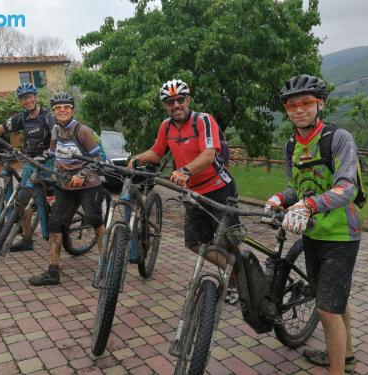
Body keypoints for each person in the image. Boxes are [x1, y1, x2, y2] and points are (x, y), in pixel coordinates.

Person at [265, 74, 361, 374]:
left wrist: (308, 205)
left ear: (320, 104)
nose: (298, 109)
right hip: (311, 233)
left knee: (326, 310)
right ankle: (346, 357)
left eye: (306, 102)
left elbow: (348, 188)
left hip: (341, 235)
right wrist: (280, 197)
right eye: (291, 105)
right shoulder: (291, 145)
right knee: (332, 299)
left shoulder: (338, 138)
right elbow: (298, 187)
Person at [128, 79, 237, 268]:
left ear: (188, 100)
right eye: (170, 102)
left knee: (228, 242)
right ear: (165, 106)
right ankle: (234, 274)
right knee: (194, 243)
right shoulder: (166, 126)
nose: (176, 105)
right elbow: (157, 152)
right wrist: (138, 159)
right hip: (193, 193)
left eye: (180, 99)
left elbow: (209, 154)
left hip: (220, 190)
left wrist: (185, 170)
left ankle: (243, 279)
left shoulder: (203, 120)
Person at [27, 92, 106, 286]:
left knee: (95, 221)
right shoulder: (56, 130)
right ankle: (53, 272)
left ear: (72, 110)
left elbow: (98, 159)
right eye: (58, 108)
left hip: (88, 184)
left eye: (66, 107)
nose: (62, 111)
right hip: (65, 185)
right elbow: (53, 151)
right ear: (53, 112)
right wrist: (40, 158)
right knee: (55, 224)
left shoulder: (82, 130)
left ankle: (107, 266)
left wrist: (82, 175)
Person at [0, 83, 55, 251]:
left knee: (49, 196)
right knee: (22, 200)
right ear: (21, 101)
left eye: (29, 96)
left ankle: (54, 226)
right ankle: (27, 239)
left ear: (35, 97)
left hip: (47, 161)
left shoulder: (47, 116)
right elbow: (0, 128)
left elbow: (57, 139)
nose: (27, 101)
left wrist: (48, 154)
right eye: (23, 98)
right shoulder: (22, 118)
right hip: (29, 161)